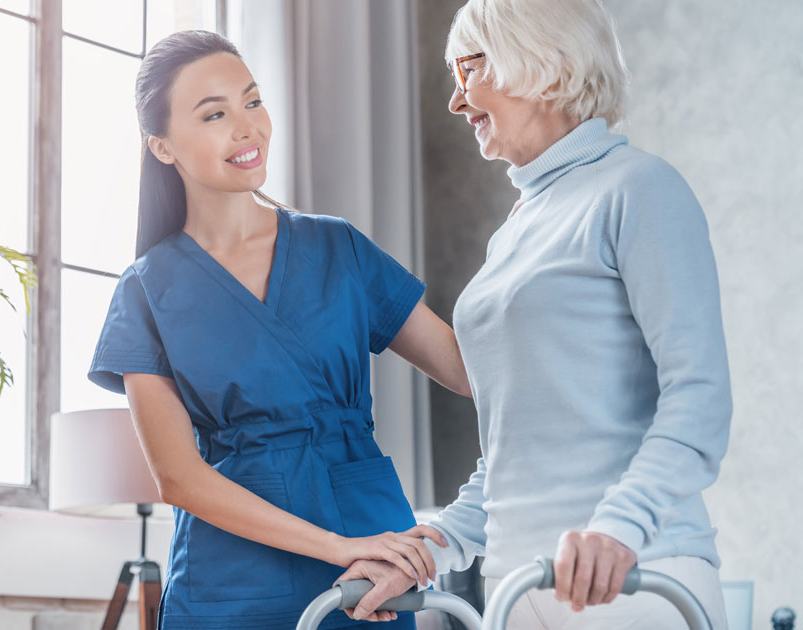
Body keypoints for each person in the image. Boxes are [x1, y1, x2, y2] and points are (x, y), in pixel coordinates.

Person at [339, 0, 733, 627]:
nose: (456, 101)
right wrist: (433, 549)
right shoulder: (516, 230)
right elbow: (512, 451)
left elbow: (700, 395)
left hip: (631, 580)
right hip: (516, 585)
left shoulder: (638, 188)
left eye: (468, 70)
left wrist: (617, 529)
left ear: (543, 65)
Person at [87, 30, 471, 629]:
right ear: (162, 147)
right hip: (233, 576)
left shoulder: (337, 247)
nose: (247, 128)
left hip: (369, 567)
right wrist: (335, 545)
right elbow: (178, 477)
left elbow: (464, 369)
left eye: (253, 101)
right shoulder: (145, 290)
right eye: (215, 114)